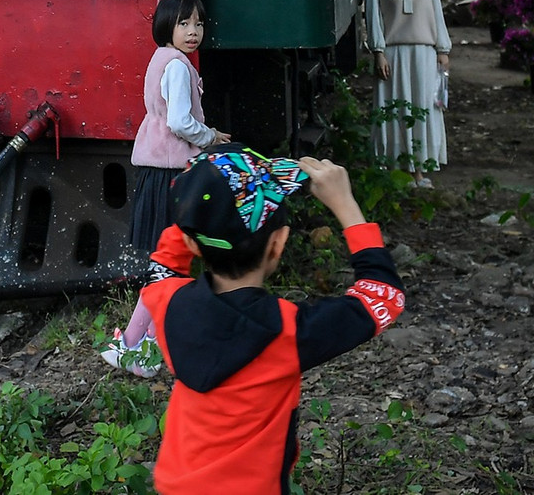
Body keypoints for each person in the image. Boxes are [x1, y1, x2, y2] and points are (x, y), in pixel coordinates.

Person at [137, 151, 404, 493]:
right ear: (278, 244)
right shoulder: (287, 332)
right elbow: (383, 295)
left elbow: (164, 266)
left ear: (192, 242)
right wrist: (345, 204)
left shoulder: (169, 303)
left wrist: (202, 207)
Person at [105, 0, 230, 375]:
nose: (194, 31)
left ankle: (134, 343)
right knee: (171, 265)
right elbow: (179, 121)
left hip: (158, 169)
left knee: (167, 264)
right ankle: (140, 346)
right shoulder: (177, 67)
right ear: (167, 26)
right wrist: (209, 137)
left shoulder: (162, 59)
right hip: (172, 173)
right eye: (184, 23)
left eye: (199, 24)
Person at [368, 0, 451, 187]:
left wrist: (442, 48)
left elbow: (437, 14)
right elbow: (374, 17)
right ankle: (395, 170)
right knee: (395, 109)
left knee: (422, 107)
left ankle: (419, 171)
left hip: (424, 54)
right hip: (393, 54)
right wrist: (378, 51)